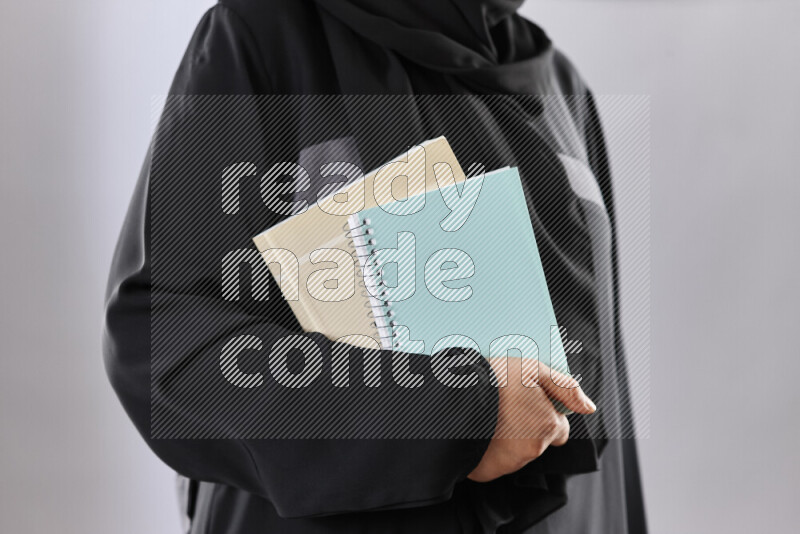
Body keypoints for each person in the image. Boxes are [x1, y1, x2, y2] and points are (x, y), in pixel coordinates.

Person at [103, 1, 647, 532]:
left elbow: (606, 376)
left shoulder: (563, 86)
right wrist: (459, 414)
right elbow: (160, 339)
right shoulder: (264, 37)